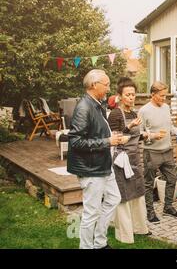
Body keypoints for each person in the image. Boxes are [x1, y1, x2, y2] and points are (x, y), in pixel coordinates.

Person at [67, 69, 122, 249]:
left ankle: (99, 242)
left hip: (104, 165)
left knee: (114, 199)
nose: (108, 88)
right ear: (93, 85)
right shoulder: (84, 107)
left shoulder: (98, 104)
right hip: (90, 169)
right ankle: (86, 247)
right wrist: (107, 141)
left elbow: (96, 131)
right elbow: (76, 141)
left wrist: (110, 137)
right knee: (91, 212)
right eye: (106, 84)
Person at [107, 77, 150, 243]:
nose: (131, 97)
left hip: (135, 157)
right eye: (128, 94)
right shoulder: (116, 114)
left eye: (133, 94)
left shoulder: (133, 113)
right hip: (120, 159)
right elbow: (114, 138)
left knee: (138, 193)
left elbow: (135, 137)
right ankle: (124, 234)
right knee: (124, 195)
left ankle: (139, 227)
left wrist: (147, 135)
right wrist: (129, 127)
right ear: (120, 96)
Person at [138, 81, 177, 223]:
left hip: (167, 150)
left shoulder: (166, 107)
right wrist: (152, 135)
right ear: (153, 94)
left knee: (172, 178)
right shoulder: (144, 111)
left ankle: (168, 207)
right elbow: (138, 133)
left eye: (165, 95)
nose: (164, 98)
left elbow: (170, 127)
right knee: (149, 183)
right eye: (161, 96)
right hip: (151, 152)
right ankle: (150, 213)